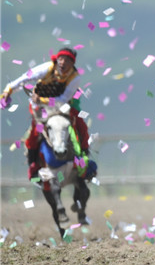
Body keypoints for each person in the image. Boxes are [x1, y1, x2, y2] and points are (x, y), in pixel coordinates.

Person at [2, 47, 92, 181]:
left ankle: (84, 158)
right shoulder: (47, 68)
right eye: (61, 59)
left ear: (72, 64)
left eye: (67, 61)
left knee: (81, 124)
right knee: (34, 132)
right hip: (39, 106)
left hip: (62, 106)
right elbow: (25, 78)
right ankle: (32, 165)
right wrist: (7, 91)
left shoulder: (75, 78)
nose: (62, 63)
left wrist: (42, 99)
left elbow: (63, 99)